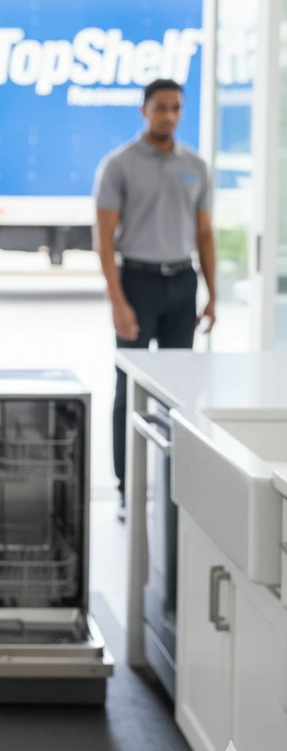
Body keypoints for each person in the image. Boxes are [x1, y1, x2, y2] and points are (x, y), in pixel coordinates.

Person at [94, 77, 216, 521]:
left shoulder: (196, 166)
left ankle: (173, 492)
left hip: (182, 284)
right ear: (144, 111)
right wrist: (117, 302)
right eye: (160, 107)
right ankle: (128, 492)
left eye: (176, 108)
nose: (169, 115)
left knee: (178, 394)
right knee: (127, 390)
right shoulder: (119, 165)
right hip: (137, 284)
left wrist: (212, 295)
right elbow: (104, 241)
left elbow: (204, 234)